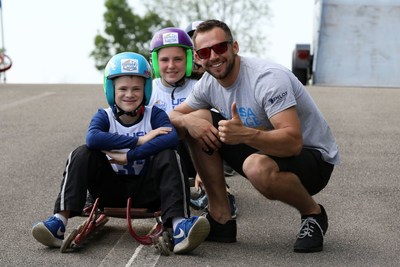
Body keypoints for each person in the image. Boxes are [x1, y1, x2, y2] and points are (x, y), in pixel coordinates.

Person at [169, 20, 340, 253]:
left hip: (313, 159)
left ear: (234, 47)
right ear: (197, 57)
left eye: (220, 48)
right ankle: (221, 218)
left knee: (256, 166)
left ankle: (313, 214)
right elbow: (173, 116)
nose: (213, 57)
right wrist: (187, 120)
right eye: (204, 52)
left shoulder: (267, 79)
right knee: (197, 117)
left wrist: (246, 135)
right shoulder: (209, 83)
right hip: (260, 146)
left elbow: (293, 143)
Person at [31, 52, 210, 255]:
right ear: (111, 90)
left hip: (148, 192)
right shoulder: (104, 116)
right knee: (82, 152)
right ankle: (58, 222)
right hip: (110, 190)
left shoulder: (155, 114)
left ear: (146, 90)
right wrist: (138, 140)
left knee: (169, 154)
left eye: (136, 89)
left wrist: (129, 156)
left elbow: (169, 138)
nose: (129, 94)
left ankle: (180, 226)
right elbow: (93, 139)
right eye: (122, 89)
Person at [147, 27, 237, 218]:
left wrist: (202, 170)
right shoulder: (149, 90)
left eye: (178, 59)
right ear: (155, 62)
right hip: (156, 157)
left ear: (189, 59)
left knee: (201, 125)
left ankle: (222, 194)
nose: (171, 65)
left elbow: (214, 126)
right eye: (164, 60)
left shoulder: (201, 86)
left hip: (193, 156)